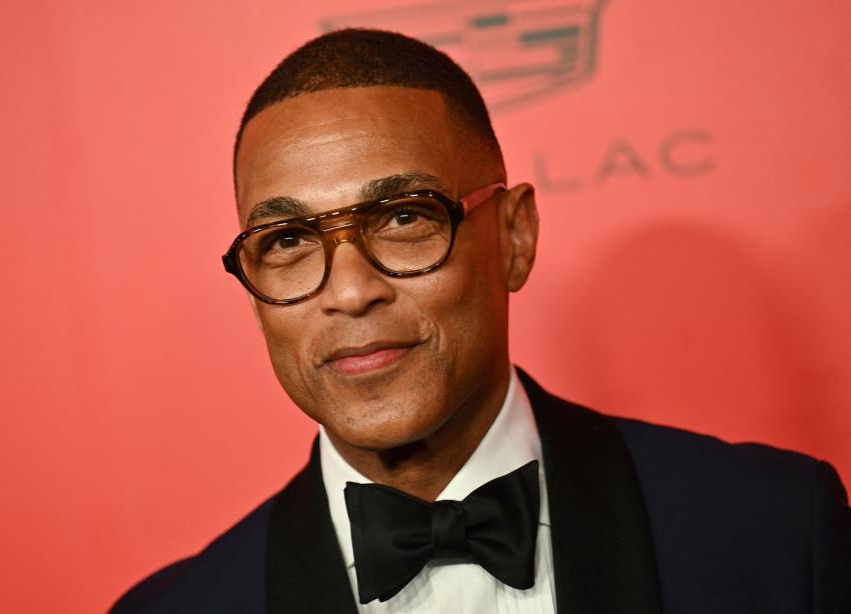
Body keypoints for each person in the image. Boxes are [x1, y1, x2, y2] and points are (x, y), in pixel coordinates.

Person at [109, 28, 851, 614]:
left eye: (404, 216)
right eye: (289, 241)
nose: (350, 291)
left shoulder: (778, 532)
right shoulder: (175, 608)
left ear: (515, 238)